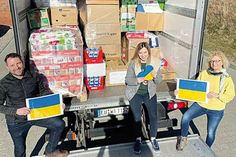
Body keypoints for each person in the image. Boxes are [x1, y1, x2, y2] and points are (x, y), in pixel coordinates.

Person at [0, 53, 68, 157]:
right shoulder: (4, 83)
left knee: (59, 124)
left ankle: (50, 151)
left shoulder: (33, 76)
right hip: (16, 121)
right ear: (7, 67)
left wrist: (56, 103)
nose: (17, 67)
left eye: (18, 63)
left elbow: (43, 92)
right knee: (20, 149)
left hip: (35, 114)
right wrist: (16, 111)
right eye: (12, 65)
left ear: (22, 62)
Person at [176, 51, 235, 151]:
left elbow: (230, 95)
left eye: (217, 61)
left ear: (222, 62)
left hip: (216, 110)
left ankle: (207, 149)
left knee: (211, 132)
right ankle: (183, 138)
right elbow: (195, 89)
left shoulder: (227, 78)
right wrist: (180, 92)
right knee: (185, 117)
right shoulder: (204, 73)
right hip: (201, 105)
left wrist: (217, 95)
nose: (214, 63)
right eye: (212, 61)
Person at [125, 42, 162, 154]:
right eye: (140, 52)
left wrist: (154, 74)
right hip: (135, 93)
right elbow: (127, 80)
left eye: (145, 52)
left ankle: (153, 138)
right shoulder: (133, 63)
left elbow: (159, 80)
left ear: (148, 52)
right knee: (137, 118)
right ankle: (138, 140)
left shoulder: (154, 63)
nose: (143, 55)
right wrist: (137, 80)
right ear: (138, 53)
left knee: (153, 116)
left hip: (149, 93)